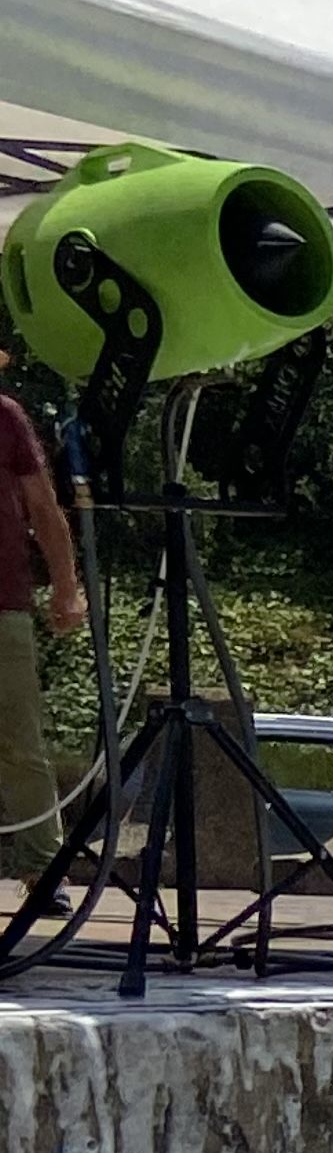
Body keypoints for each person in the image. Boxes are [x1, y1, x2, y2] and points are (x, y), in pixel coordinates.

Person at [0, 339, 85, 882]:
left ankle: (43, 870)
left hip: (3, 602)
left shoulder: (5, 416)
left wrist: (66, 585)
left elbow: (43, 505)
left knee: (21, 744)